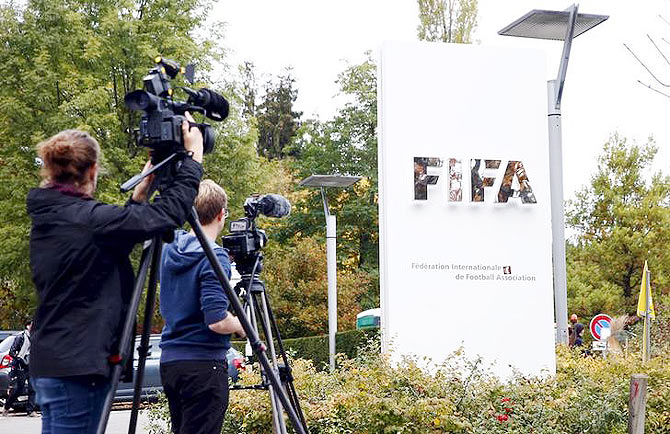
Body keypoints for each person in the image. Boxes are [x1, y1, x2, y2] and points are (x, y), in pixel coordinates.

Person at [27, 113, 204, 434]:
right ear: (92, 171)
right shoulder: (88, 220)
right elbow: (166, 215)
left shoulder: (53, 216)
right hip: (79, 365)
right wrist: (193, 160)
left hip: (56, 359)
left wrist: (142, 189)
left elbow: (107, 241)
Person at [159, 179, 246, 434]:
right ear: (221, 214)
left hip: (171, 362)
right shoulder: (215, 256)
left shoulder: (170, 248)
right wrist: (241, 325)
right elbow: (217, 320)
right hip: (203, 364)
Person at [2, 320, 36, 417]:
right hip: (21, 367)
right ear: (27, 326)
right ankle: (7, 407)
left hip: (31, 366)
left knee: (32, 388)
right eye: (32, 325)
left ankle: (30, 410)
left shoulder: (35, 337)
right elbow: (12, 352)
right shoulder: (21, 337)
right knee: (19, 389)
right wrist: (21, 359)